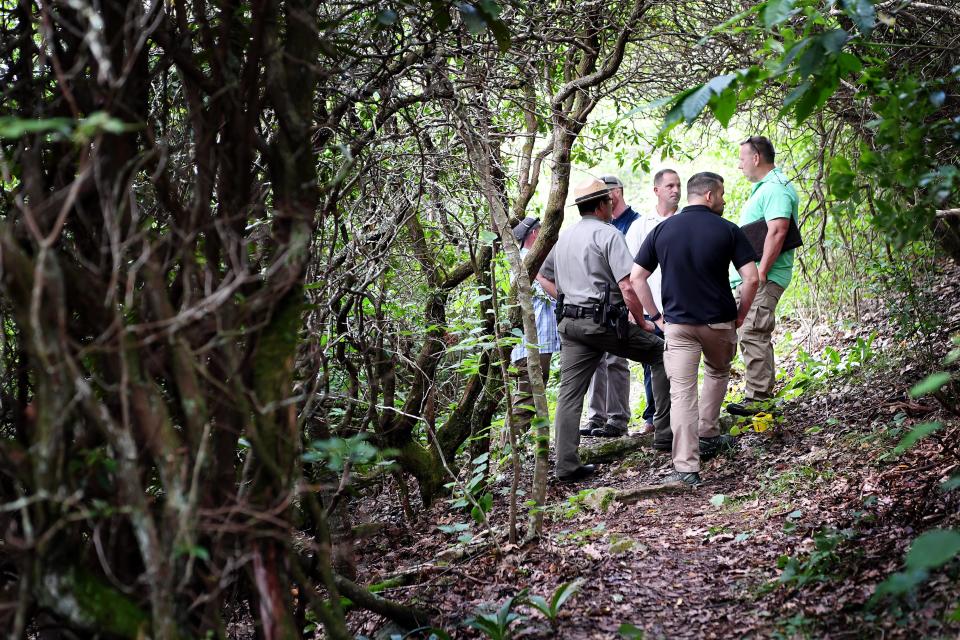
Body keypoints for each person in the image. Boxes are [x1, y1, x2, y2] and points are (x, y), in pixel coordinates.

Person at [631, 172, 760, 486]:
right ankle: (708, 433)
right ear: (710, 195)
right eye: (723, 194)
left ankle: (687, 467)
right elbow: (752, 278)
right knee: (717, 372)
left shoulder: (662, 230)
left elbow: (636, 278)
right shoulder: (728, 229)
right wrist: (741, 315)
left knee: (682, 394)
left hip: (677, 327)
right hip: (719, 322)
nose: (725, 200)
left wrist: (656, 317)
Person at [540, 177, 670, 482]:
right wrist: (644, 322)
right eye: (609, 202)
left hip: (570, 324)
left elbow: (542, 276)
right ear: (601, 205)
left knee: (569, 393)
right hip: (602, 323)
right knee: (659, 352)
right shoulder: (608, 234)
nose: (613, 206)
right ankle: (665, 435)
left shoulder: (565, 237)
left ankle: (566, 465)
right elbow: (627, 285)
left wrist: (566, 298)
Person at [726, 136, 800, 416]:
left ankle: (758, 400)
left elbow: (778, 230)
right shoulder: (764, 189)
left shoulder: (776, 189)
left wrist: (760, 273)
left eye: (742, 158)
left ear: (756, 158)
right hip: (754, 278)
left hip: (764, 278)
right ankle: (760, 398)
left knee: (753, 332)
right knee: (752, 333)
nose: (739, 165)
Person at [624, 169, 681, 445]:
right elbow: (627, 271)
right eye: (670, 185)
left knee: (681, 364)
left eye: (678, 185)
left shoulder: (686, 222)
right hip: (650, 306)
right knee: (653, 364)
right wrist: (633, 310)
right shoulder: (641, 225)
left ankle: (679, 417)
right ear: (656, 190)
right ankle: (653, 418)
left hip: (681, 306)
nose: (675, 190)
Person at [580, 175, 639, 438]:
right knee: (596, 363)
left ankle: (617, 418)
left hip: (616, 304)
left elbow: (630, 278)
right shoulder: (587, 232)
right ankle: (596, 417)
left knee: (616, 360)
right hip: (592, 306)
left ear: (618, 192)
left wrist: (639, 312)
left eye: (609, 192)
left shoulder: (634, 224)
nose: (607, 198)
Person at [509, 216, 561, 433]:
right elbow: (550, 296)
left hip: (538, 344)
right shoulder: (527, 263)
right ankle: (512, 455)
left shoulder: (529, 262)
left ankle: (512, 451)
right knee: (526, 400)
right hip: (532, 345)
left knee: (527, 397)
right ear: (534, 235)